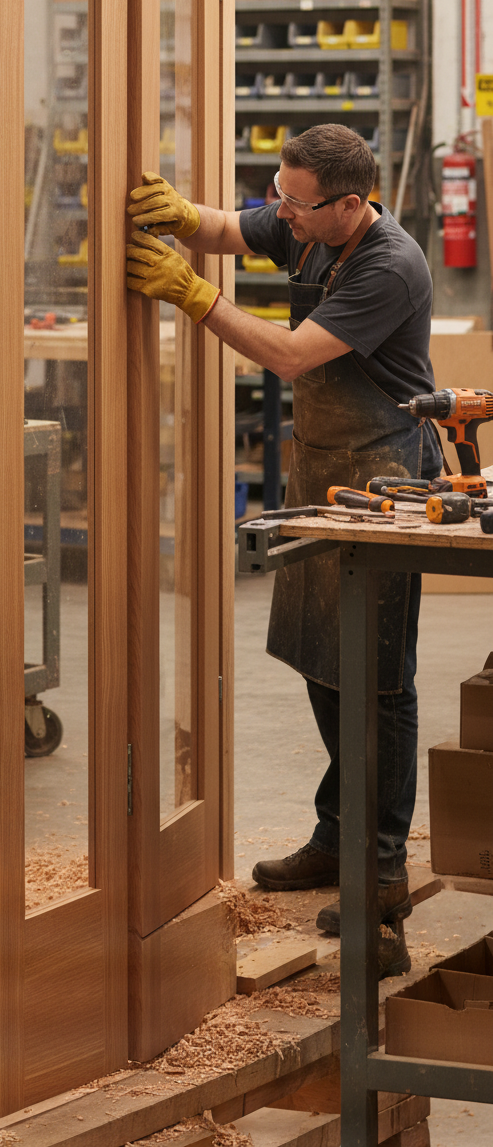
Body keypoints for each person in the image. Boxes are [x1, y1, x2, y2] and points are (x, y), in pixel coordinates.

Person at [126, 124, 442, 977]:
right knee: (319, 660)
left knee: (376, 680)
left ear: (350, 204)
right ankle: (335, 841)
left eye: (297, 203)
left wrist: (193, 296)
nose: (282, 212)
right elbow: (233, 227)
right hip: (324, 472)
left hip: (385, 479)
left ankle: (381, 895)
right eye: (280, 191)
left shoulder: (388, 264)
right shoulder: (305, 220)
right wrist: (181, 214)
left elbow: (292, 355)